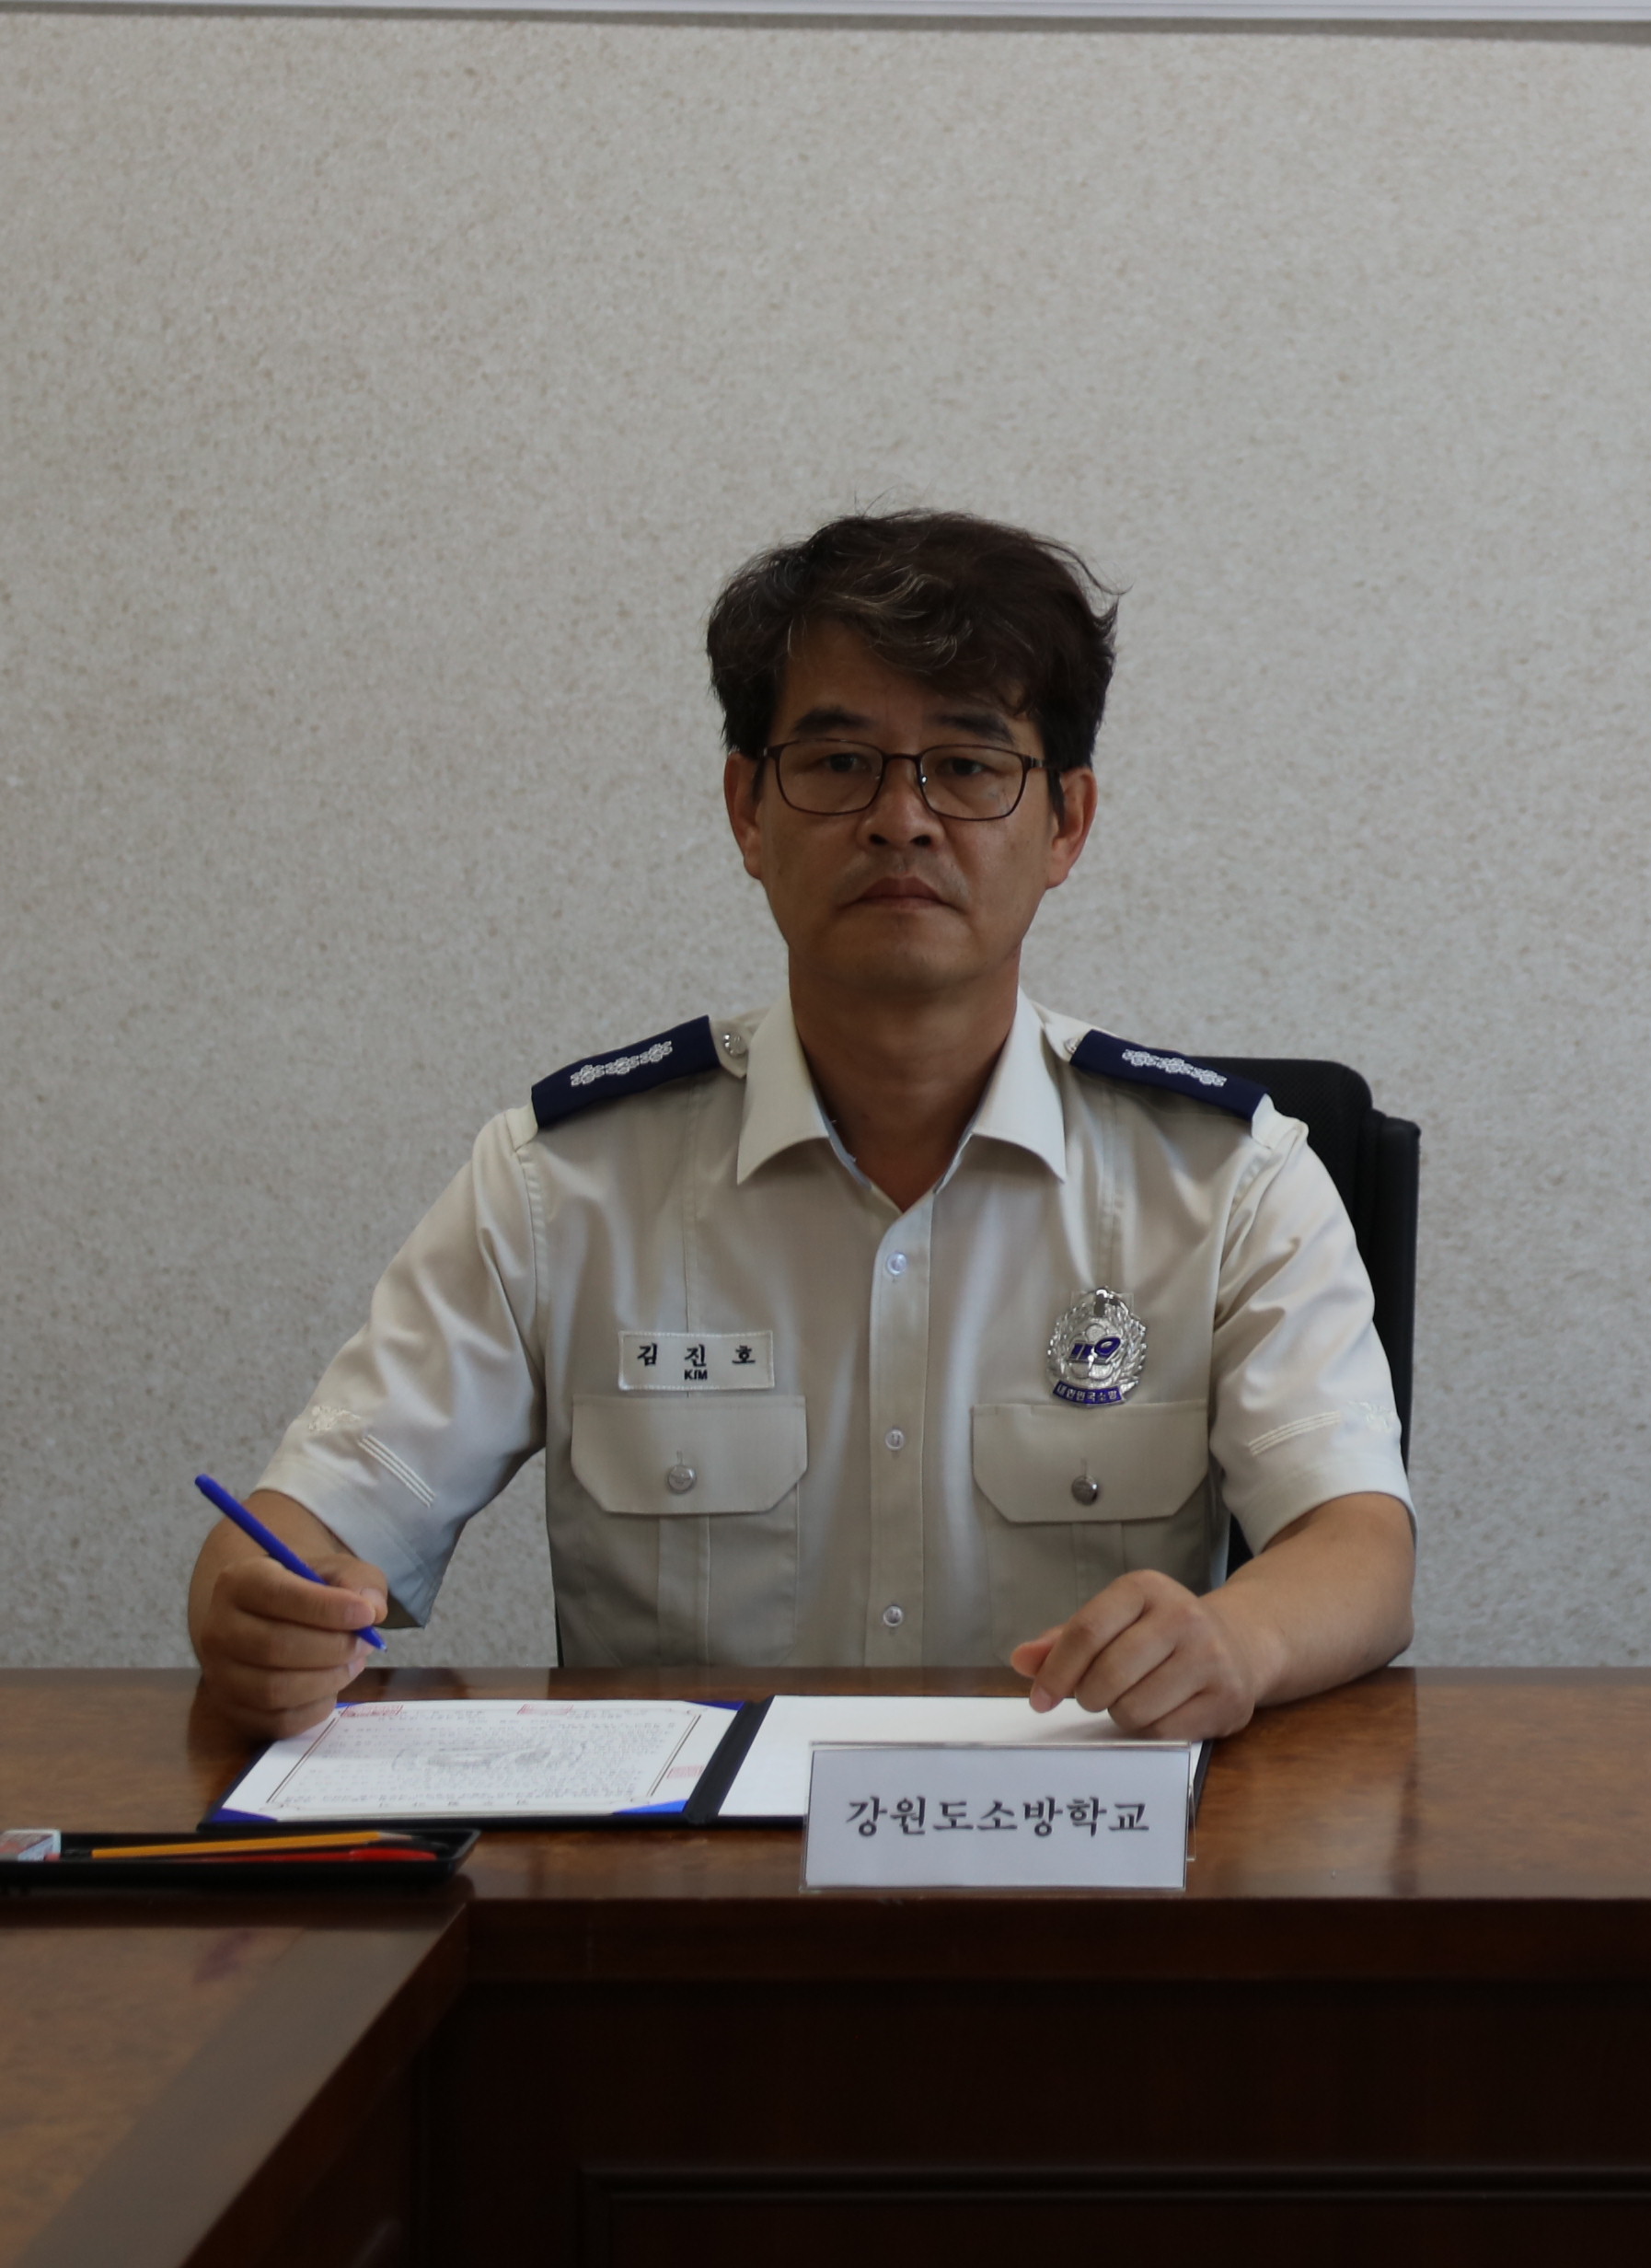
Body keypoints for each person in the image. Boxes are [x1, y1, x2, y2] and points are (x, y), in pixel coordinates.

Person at [189, 511, 1414, 1741]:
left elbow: (1359, 1547)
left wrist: (1234, 1641)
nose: (901, 819)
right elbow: (306, 1526)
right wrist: (260, 1608)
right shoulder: (563, 1185)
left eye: (968, 766)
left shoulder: (1227, 1182)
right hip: (688, 1852)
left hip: (1061, 1841)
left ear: (1066, 824)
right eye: (837, 764)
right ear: (747, 810)